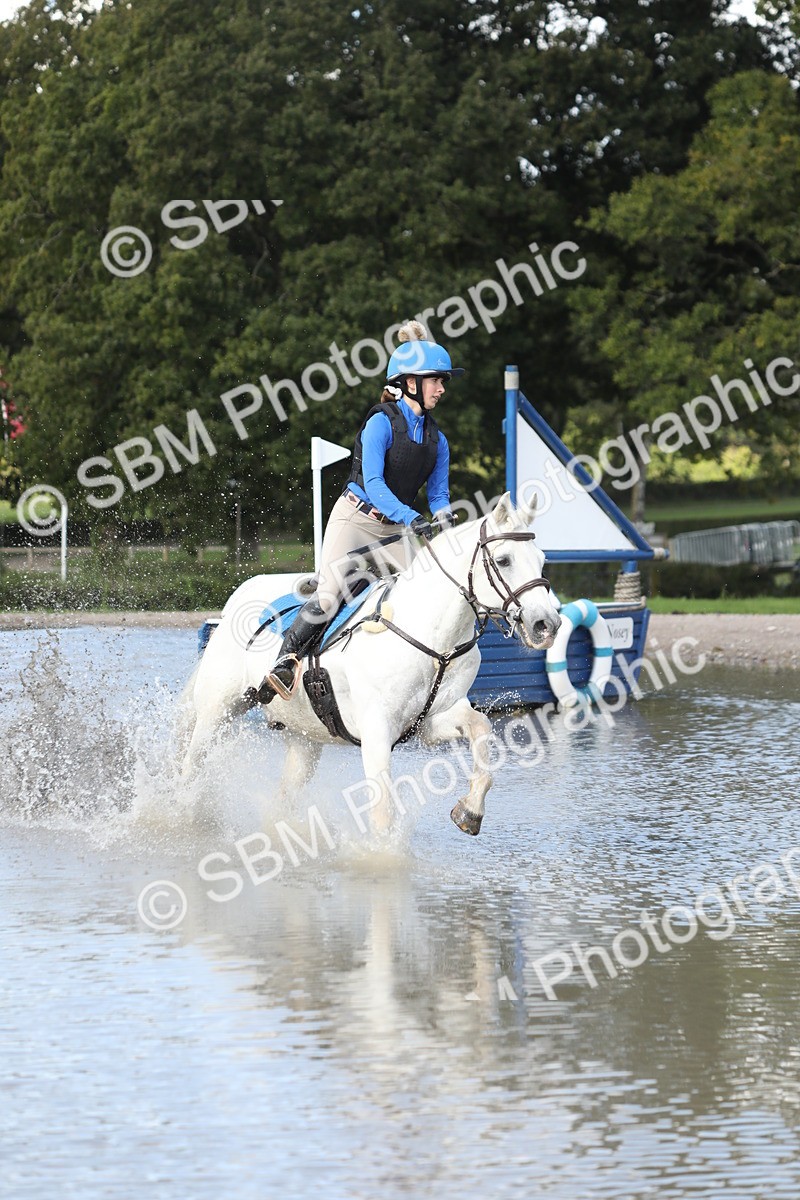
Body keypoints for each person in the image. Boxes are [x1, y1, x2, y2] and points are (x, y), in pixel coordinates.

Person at [256, 319, 463, 702]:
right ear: (409, 383)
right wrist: (411, 518)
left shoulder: (439, 440)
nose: (442, 387)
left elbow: (438, 494)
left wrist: (445, 520)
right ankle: (284, 662)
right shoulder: (379, 425)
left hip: (396, 530)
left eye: (443, 381)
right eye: (436, 380)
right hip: (356, 519)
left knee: (426, 587)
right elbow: (375, 485)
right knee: (330, 593)